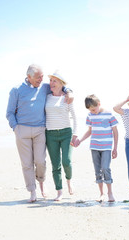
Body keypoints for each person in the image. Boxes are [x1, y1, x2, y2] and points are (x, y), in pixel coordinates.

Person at [6, 64, 72, 203]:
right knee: (27, 164)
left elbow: (61, 86)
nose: (41, 80)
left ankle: (42, 182)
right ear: (29, 77)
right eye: (38, 77)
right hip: (22, 130)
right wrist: (15, 128)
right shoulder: (16, 90)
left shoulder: (44, 87)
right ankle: (32, 191)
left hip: (40, 130)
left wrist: (69, 91)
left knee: (40, 161)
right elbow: (10, 112)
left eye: (42, 77)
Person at [74, 94, 118, 202]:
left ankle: (110, 193)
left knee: (105, 168)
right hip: (94, 146)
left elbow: (115, 132)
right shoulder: (90, 115)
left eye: (94, 109)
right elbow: (90, 131)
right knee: (97, 170)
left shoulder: (109, 114)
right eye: (91, 110)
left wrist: (115, 148)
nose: (93, 112)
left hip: (107, 147)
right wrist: (80, 140)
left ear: (99, 104)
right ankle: (101, 194)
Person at [45, 71, 77, 201]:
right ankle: (59, 191)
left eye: (55, 81)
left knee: (66, 162)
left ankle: (69, 180)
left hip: (66, 133)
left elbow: (74, 118)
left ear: (61, 84)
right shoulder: (46, 96)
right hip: (50, 134)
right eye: (51, 80)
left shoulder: (67, 98)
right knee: (55, 164)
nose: (51, 83)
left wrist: (75, 134)